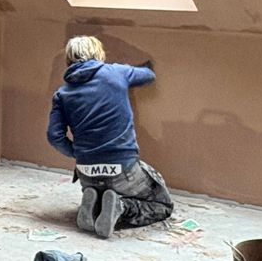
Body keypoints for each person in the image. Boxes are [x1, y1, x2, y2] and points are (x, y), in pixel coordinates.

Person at [46, 36, 175, 238]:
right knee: (162, 205)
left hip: (86, 172)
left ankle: (94, 205)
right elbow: (149, 75)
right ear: (99, 54)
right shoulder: (116, 73)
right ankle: (122, 207)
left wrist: (77, 152)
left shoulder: (62, 94)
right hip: (123, 169)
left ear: (68, 61)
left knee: (103, 191)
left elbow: (54, 136)